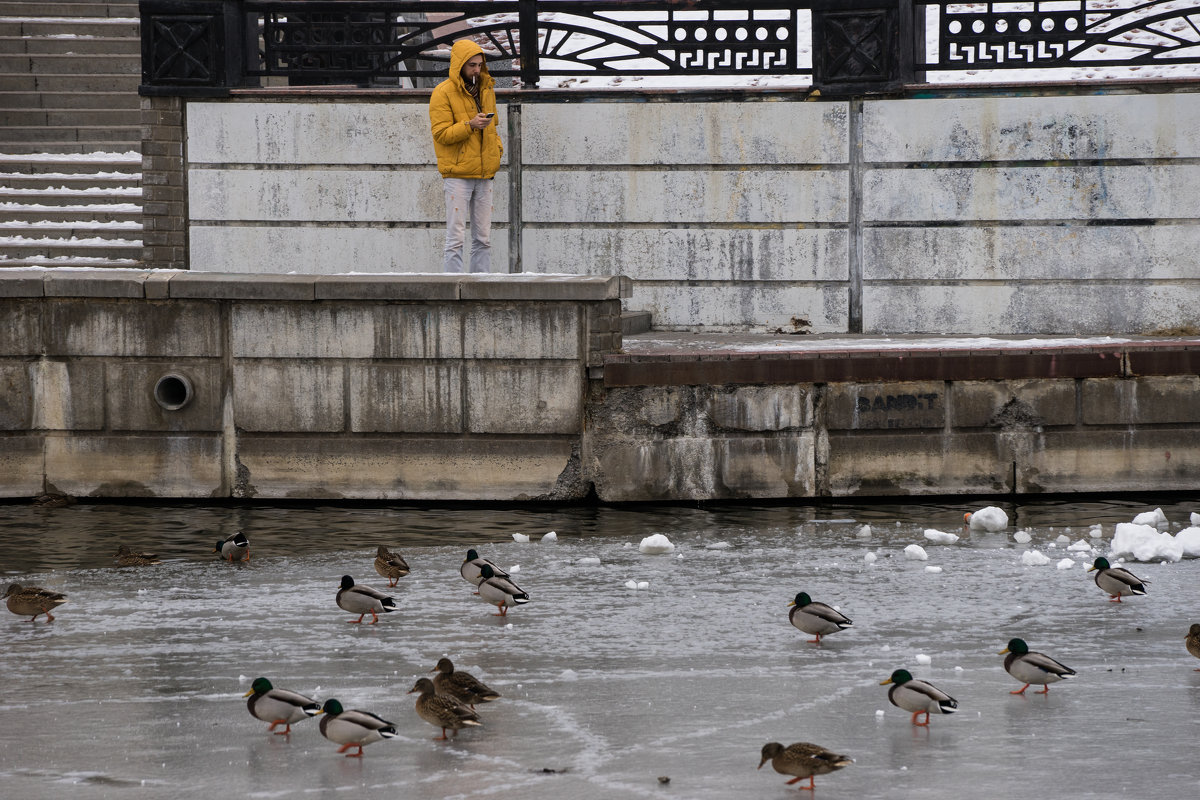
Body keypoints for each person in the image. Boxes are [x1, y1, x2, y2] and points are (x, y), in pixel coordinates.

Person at [429, 40, 503, 273]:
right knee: (456, 238)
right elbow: (441, 134)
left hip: (484, 171)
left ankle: (481, 288)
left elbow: (494, 127)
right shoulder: (443, 92)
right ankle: (453, 289)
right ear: (459, 64)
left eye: (480, 65)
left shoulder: (486, 88)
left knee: (483, 238)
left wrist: (497, 151)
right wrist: (470, 125)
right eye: (471, 65)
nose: (477, 70)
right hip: (458, 173)